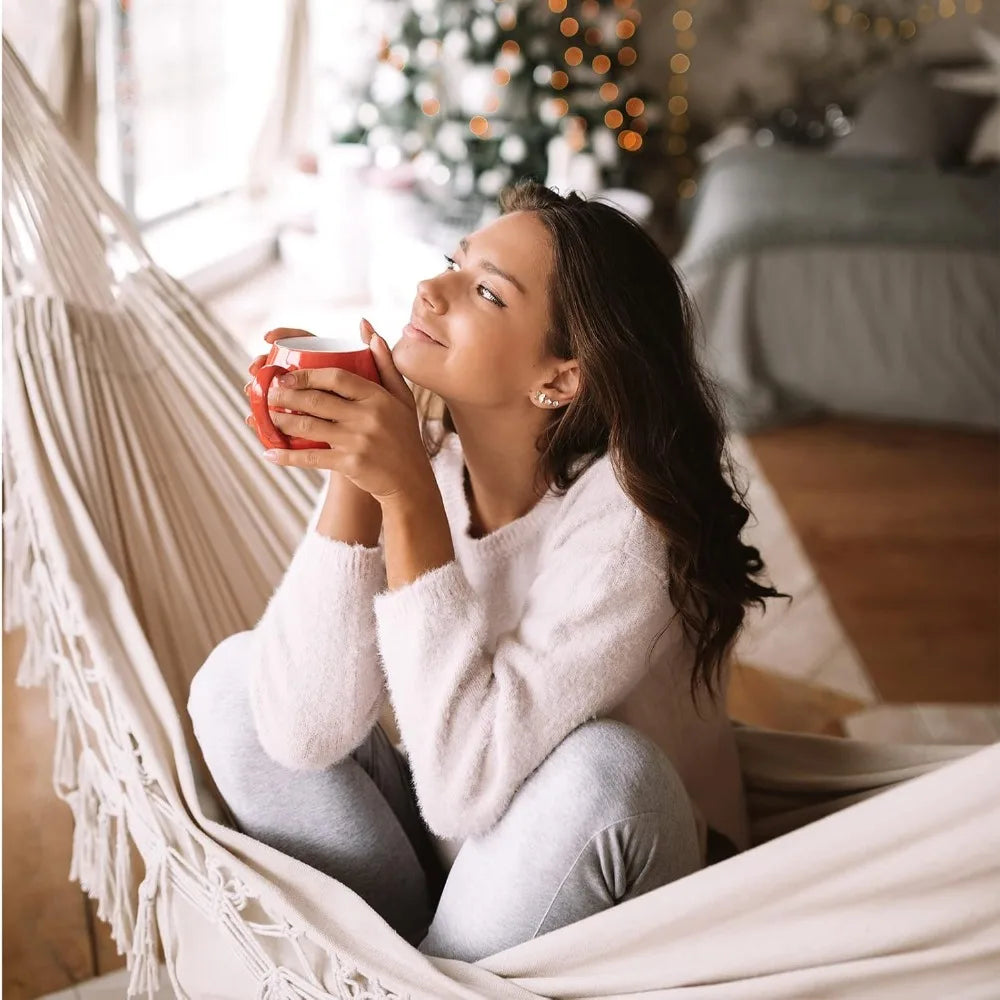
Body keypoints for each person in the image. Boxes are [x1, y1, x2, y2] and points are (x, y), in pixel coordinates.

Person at [187, 178, 789, 962]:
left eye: (485, 293)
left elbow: (469, 788)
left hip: (612, 865)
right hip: (465, 868)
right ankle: (404, 973)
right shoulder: (425, 460)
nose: (430, 290)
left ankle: (409, 974)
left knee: (605, 768)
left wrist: (403, 496)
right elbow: (303, 735)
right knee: (238, 681)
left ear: (560, 378)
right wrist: (356, 473)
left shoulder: (628, 523)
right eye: (450, 262)